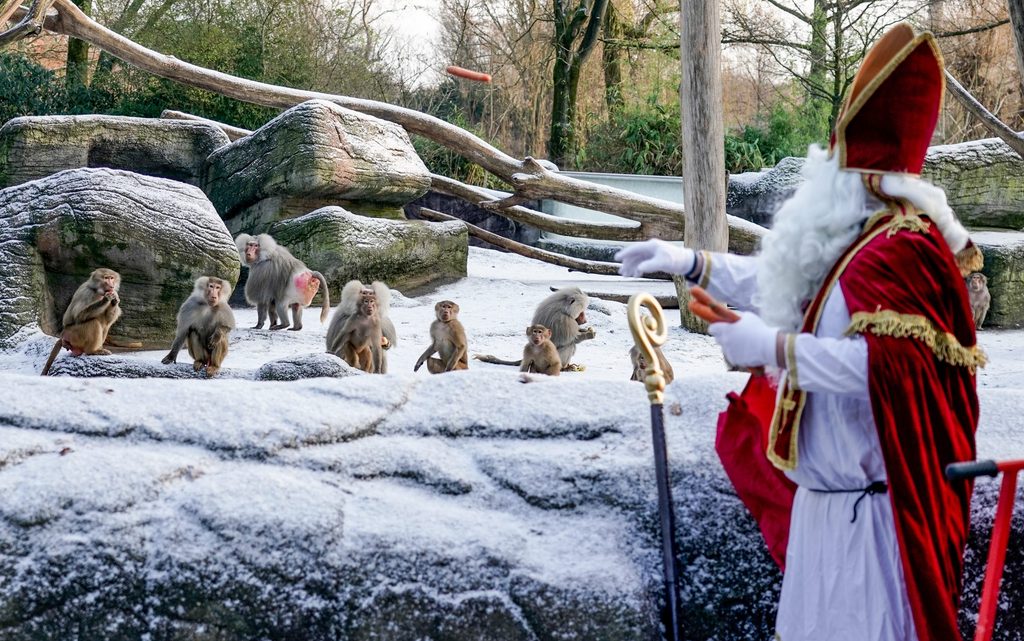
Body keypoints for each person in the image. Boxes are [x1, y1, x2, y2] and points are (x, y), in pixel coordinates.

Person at [616, 23, 984, 641]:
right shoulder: (857, 241)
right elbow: (787, 278)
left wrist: (772, 347)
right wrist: (690, 262)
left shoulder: (905, 249)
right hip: (823, 516)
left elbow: (888, 368)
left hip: (874, 528)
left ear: (861, 175)